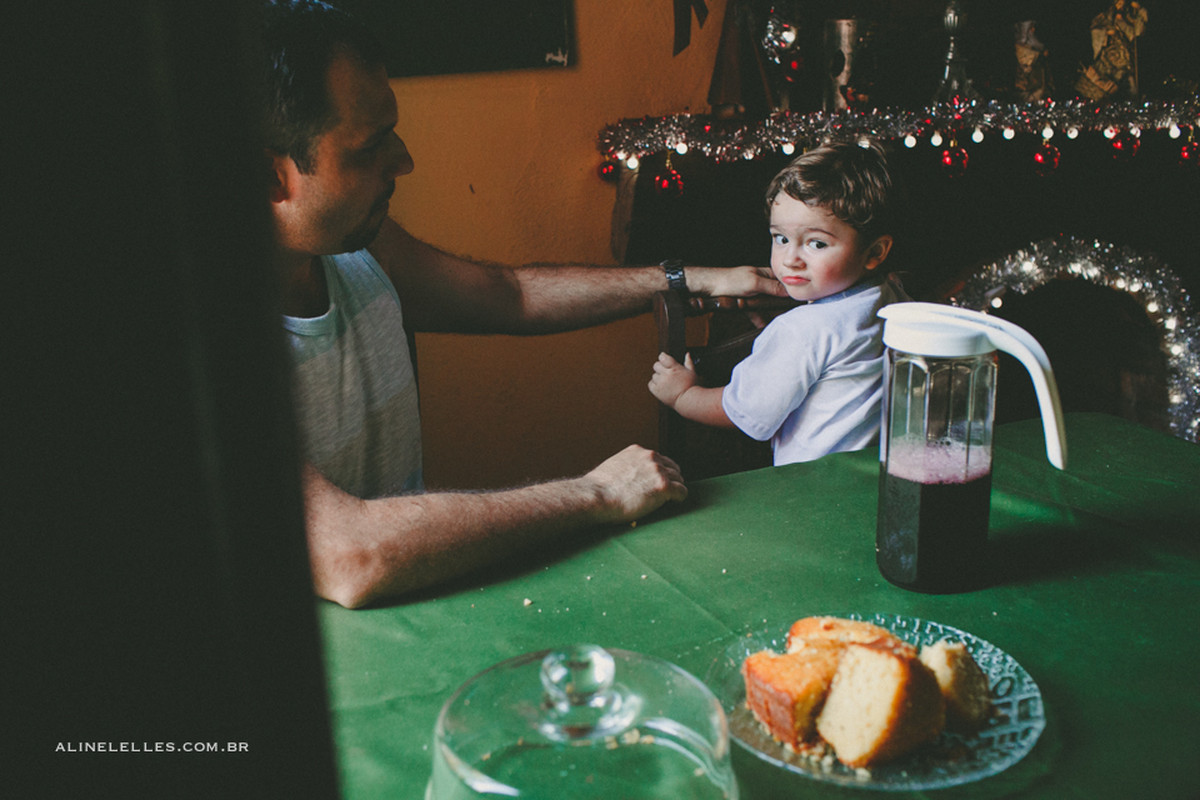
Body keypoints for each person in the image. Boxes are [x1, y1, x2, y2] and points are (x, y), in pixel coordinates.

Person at [259, 0, 785, 608]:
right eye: (370, 146)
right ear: (269, 177)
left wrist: (688, 278)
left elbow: (511, 296)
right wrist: (598, 494)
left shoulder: (356, 247)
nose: (404, 159)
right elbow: (352, 556)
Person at [648, 141, 910, 466]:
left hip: (810, 489)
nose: (790, 260)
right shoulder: (892, 296)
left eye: (816, 243)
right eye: (780, 238)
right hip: (876, 475)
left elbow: (744, 413)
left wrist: (683, 395)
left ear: (874, 253)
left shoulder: (801, 330)